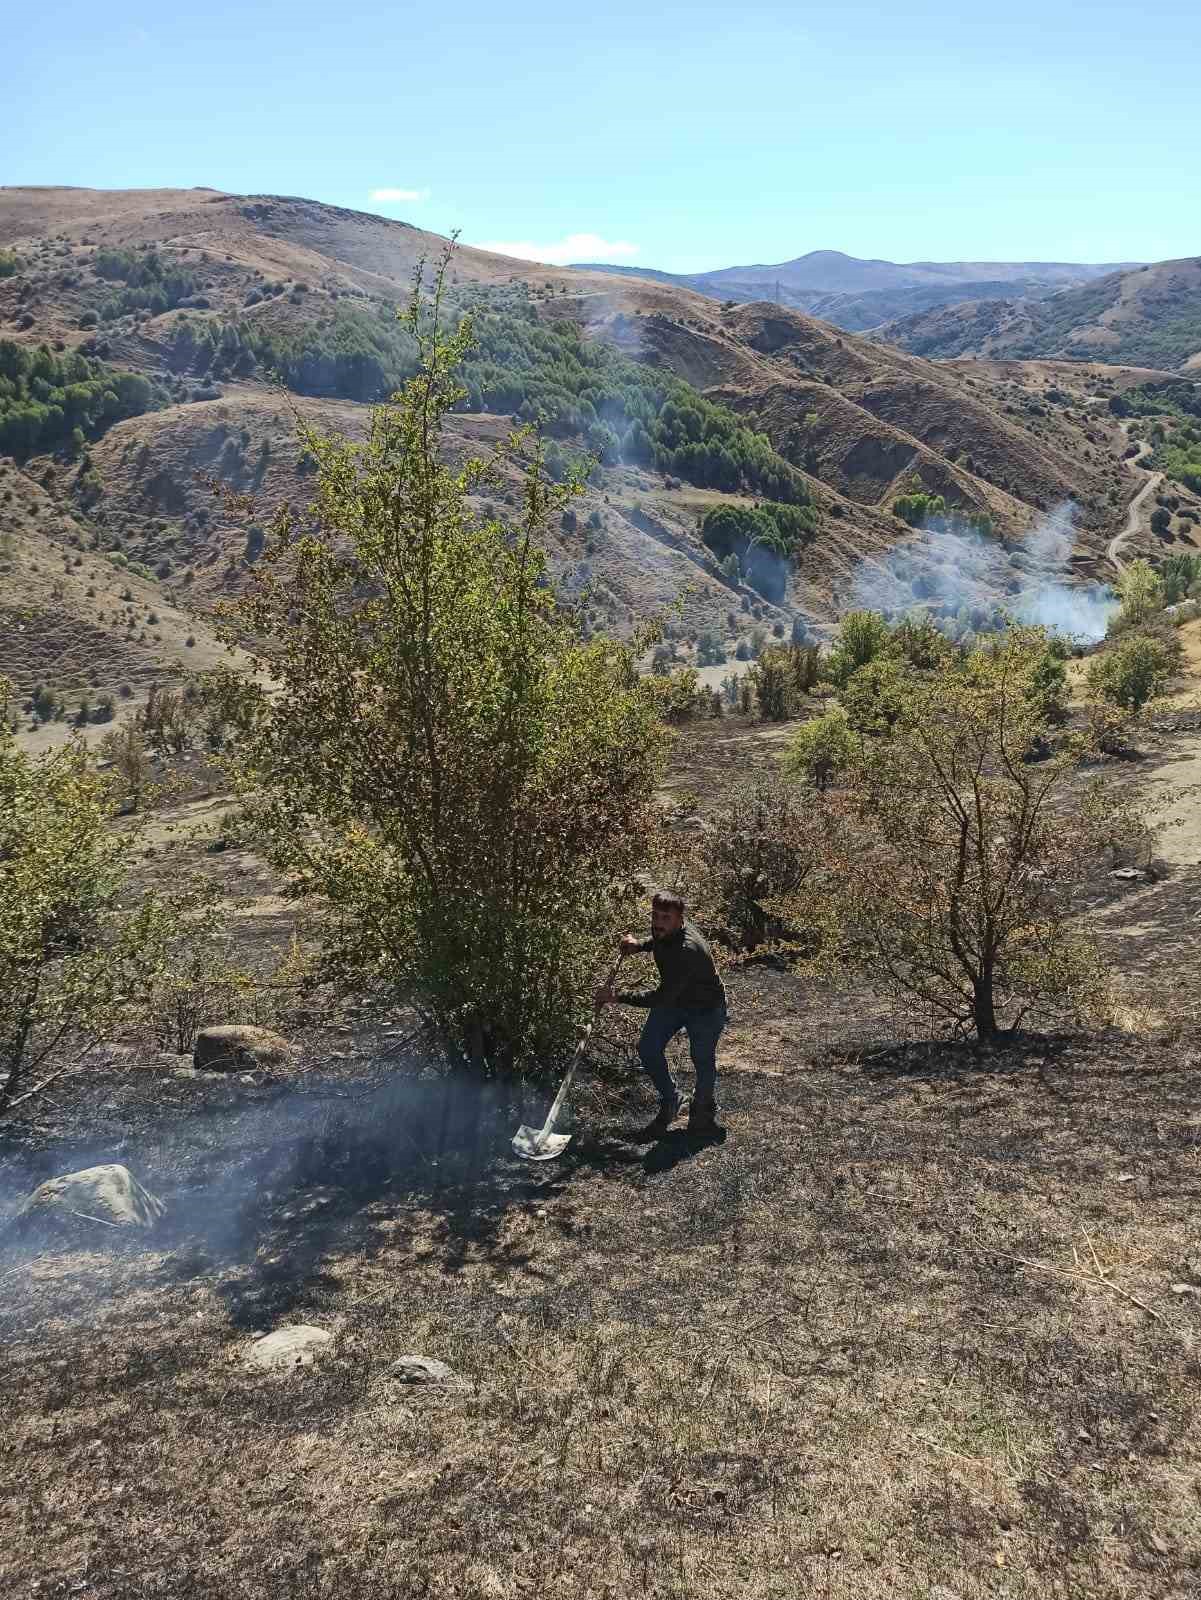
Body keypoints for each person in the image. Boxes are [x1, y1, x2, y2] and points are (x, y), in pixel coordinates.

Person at [596, 889, 728, 1137]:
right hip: (676, 999)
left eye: (665, 918)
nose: (658, 922)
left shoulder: (688, 950)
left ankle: (702, 1113)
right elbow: (659, 939)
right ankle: (672, 1098)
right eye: (655, 915)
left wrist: (617, 996)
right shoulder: (667, 931)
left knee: (701, 1058)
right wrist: (640, 945)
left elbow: (660, 997)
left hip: (705, 1008)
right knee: (648, 1047)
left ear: (680, 919)